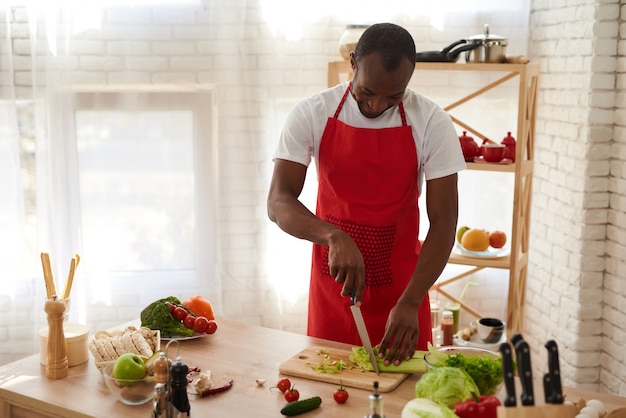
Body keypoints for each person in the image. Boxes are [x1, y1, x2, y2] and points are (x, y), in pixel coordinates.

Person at [267, 23, 465, 366]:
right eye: (368, 92)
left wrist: (411, 301)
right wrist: (332, 235)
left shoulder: (432, 122)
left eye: (393, 97)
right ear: (353, 62)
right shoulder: (313, 112)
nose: (376, 105)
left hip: (403, 293)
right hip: (334, 292)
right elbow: (278, 201)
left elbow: (445, 222)